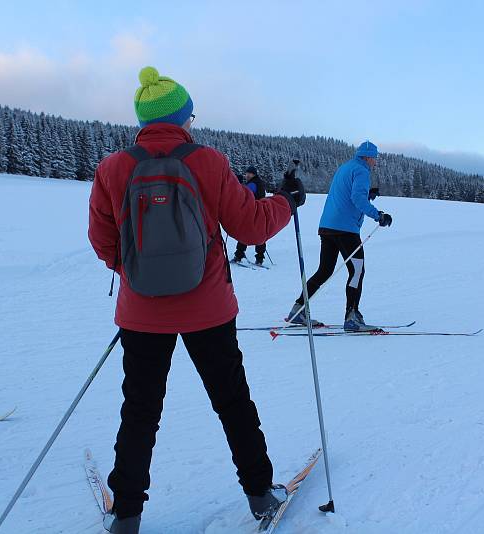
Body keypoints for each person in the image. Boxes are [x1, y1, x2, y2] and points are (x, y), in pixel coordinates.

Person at [88, 66, 305, 534]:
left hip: (141, 312)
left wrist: (136, 274)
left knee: (140, 411)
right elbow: (250, 226)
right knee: (232, 401)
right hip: (208, 308)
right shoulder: (206, 161)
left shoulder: (112, 167)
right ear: (182, 116)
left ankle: (126, 515)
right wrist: (287, 201)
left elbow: (103, 242)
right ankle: (261, 494)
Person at [284, 141, 392, 332]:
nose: (375, 162)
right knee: (357, 271)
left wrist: (367, 195)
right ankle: (352, 317)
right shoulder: (362, 171)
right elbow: (356, 198)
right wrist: (378, 215)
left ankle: (297, 310)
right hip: (346, 230)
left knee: (324, 270)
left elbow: (348, 194)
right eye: (374, 158)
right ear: (367, 157)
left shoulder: (346, 167)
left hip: (327, 226)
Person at [231, 165, 269, 265]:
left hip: (252, 212)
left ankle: (239, 255)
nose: (247, 175)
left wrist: (238, 183)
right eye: (246, 173)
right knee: (259, 234)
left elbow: (243, 193)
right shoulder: (258, 183)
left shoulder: (253, 184)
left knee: (245, 232)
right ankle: (259, 258)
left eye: (249, 173)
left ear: (254, 174)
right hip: (260, 212)